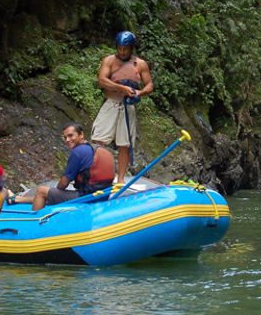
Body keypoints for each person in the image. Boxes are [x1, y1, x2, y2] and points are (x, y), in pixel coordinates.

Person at [91, 31, 154, 184]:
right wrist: (121, 88)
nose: (122, 51)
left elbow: (150, 85)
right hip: (111, 104)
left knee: (124, 144)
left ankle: (120, 180)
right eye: (119, 48)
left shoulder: (140, 64)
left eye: (125, 48)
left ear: (131, 48)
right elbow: (102, 80)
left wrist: (140, 92)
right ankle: (95, 176)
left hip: (128, 107)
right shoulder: (109, 61)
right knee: (97, 139)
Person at [8, 122, 115, 210]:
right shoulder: (94, 148)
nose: (67, 140)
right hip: (102, 195)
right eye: (65, 137)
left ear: (81, 135)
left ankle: (34, 222)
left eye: (70, 136)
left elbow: (63, 183)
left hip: (87, 197)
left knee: (42, 191)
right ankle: (18, 199)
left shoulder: (78, 152)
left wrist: (55, 192)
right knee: (50, 193)